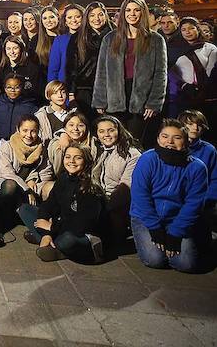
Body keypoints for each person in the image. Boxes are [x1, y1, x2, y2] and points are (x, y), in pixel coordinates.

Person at [130, 119, 208, 273]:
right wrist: (155, 228)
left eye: (177, 138)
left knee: (186, 264)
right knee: (155, 260)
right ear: (158, 138)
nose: (169, 142)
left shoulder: (197, 167)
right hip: (146, 218)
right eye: (165, 136)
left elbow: (194, 204)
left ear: (185, 141)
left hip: (176, 219)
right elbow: (140, 196)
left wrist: (176, 233)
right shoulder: (148, 159)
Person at [92, 0, 167, 143]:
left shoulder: (156, 39)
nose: (132, 14)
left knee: (134, 143)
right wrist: (100, 100)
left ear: (143, 12)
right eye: (128, 10)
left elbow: (161, 75)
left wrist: (154, 103)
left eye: (136, 10)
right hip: (114, 98)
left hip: (141, 99)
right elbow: (101, 72)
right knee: (114, 141)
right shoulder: (110, 38)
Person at [18, 145, 106, 262]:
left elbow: (81, 225)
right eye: (68, 157)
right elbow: (48, 205)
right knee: (25, 209)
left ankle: (55, 247)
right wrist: (46, 233)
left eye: (77, 158)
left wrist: (51, 227)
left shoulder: (91, 188)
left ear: (86, 161)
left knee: (68, 239)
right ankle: (47, 240)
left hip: (81, 234)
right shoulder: (63, 178)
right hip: (60, 225)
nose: (72, 161)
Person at [0, 115, 52, 230]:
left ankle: (45, 223)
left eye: (33, 131)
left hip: (33, 184)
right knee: (10, 186)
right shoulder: (7, 147)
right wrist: (26, 188)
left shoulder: (41, 148)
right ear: (18, 129)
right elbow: (6, 173)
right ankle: (4, 220)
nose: (29, 135)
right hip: (9, 183)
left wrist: (32, 179)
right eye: (25, 130)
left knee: (50, 187)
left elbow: (46, 171)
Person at [91, 115, 141, 249]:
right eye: (101, 131)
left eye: (111, 130)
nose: (106, 135)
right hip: (98, 196)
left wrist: (101, 207)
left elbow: (126, 189)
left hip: (118, 204)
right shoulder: (97, 149)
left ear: (119, 130)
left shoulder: (132, 154)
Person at [65, 2, 113, 118]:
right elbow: (71, 66)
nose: (96, 19)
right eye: (92, 15)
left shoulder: (115, 36)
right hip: (84, 90)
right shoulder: (78, 37)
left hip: (110, 89)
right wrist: (71, 92)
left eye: (100, 14)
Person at [167, 17, 216, 119]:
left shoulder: (209, 47)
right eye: (183, 29)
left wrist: (201, 90)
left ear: (198, 29)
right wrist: (183, 85)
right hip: (181, 95)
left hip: (205, 95)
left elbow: (211, 71)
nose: (187, 32)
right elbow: (169, 71)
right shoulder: (173, 49)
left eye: (191, 28)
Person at [0, 74, 38, 139]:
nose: (12, 90)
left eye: (17, 87)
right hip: (0, 144)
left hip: (21, 144)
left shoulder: (30, 107)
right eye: (9, 87)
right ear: (5, 88)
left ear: (22, 88)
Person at [48, 4, 84, 83]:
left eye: (77, 17)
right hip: (64, 86)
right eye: (69, 17)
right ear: (65, 21)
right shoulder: (59, 41)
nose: (74, 20)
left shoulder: (89, 39)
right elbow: (53, 69)